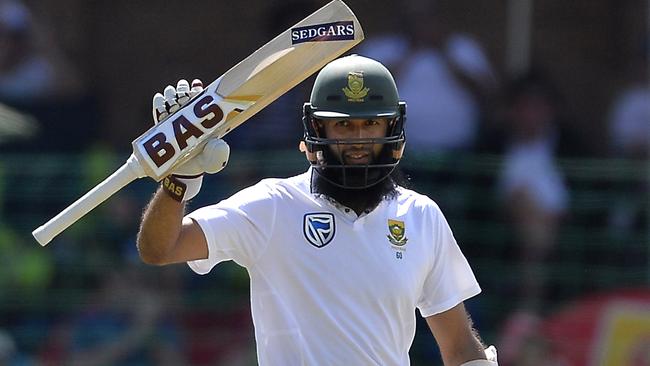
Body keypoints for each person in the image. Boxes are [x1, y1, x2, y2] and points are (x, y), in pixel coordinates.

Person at [137, 55, 498, 365]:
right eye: (343, 124)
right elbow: (160, 249)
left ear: (392, 128)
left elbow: (459, 347)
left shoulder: (422, 217)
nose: (358, 140)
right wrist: (178, 182)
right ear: (316, 130)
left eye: (370, 124)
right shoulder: (272, 206)